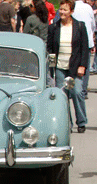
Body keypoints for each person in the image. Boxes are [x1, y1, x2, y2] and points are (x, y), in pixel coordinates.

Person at [49, 0, 89, 131]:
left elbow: (84, 49)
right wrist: (51, 66)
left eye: (65, 10)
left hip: (75, 68)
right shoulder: (54, 27)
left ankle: (81, 122)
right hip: (60, 67)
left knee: (77, 93)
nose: (62, 12)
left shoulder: (80, 26)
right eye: (61, 9)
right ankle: (67, 123)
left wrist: (82, 65)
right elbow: (50, 48)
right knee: (62, 96)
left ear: (71, 11)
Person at [72, 0, 95, 98]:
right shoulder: (88, 8)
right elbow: (93, 25)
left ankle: (72, 89)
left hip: (73, 40)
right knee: (85, 65)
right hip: (88, 41)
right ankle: (83, 91)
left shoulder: (72, 7)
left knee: (72, 64)